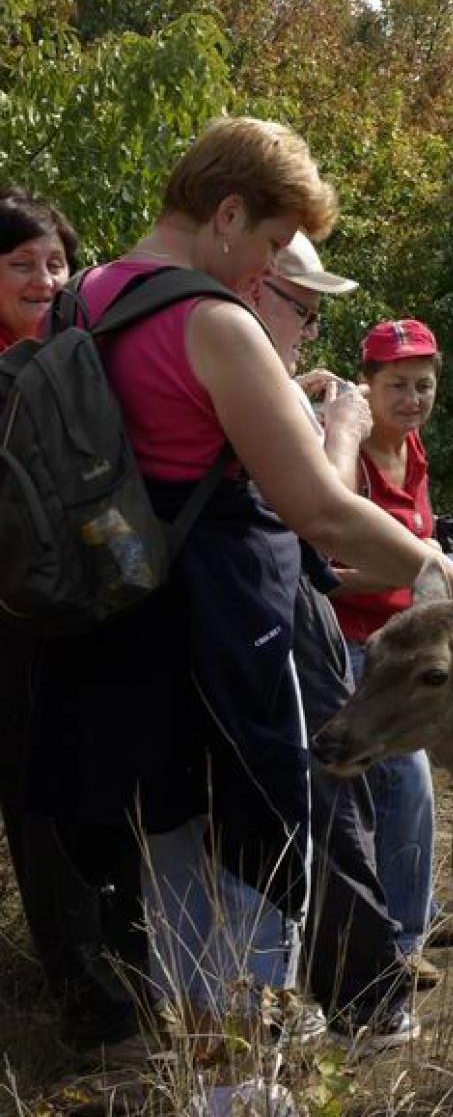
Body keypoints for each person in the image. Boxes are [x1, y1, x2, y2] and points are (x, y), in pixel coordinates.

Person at [13, 120, 453, 1058]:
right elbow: (320, 508)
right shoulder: (213, 322)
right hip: (223, 649)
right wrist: (441, 570)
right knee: (255, 871)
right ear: (227, 214)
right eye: (271, 245)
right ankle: (245, 1078)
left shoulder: (94, 292)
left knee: (176, 868)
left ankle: (209, 1064)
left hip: (122, 638)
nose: (266, 267)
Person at [249, 232, 414, 1046]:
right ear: (258, 287)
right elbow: (321, 516)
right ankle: (367, 1003)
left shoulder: (187, 346)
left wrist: (290, 390)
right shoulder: (228, 349)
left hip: (257, 616)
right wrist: (341, 426)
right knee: (328, 796)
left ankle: (308, 996)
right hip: (281, 616)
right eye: (303, 310)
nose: (309, 330)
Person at [331, 319, 453, 988]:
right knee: (408, 784)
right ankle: (400, 941)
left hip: (413, 637)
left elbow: (417, 536)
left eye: (423, 385)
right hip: (364, 648)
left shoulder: (410, 450)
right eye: (396, 385)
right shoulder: (348, 457)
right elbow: (332, 567)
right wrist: (424, 570)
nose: (411, 398)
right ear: (369, 384)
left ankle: (416, 902)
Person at [0, 186, 148, 1056]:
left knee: (103, 784)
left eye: (56, 263)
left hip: (88, 609)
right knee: (37, 800)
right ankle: (87, 1001)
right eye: (22, 264)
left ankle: (131, 956)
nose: (46, 279)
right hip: (13, 629)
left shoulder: (79, 354)